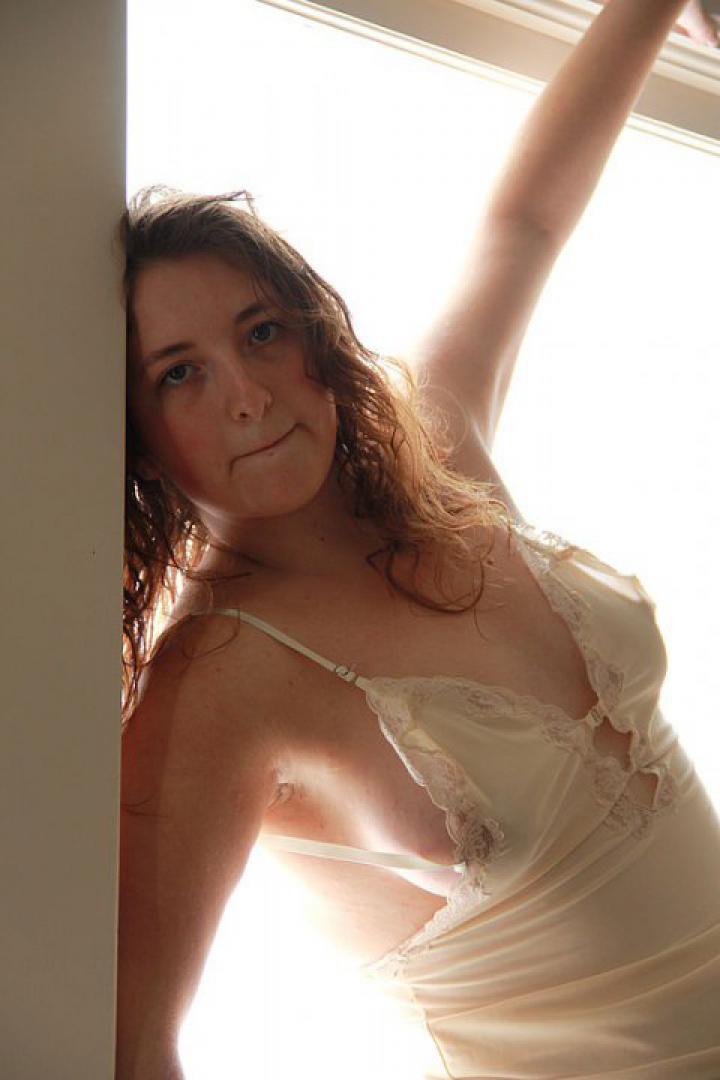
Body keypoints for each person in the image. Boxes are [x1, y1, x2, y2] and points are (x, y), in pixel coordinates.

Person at [115, 0, 720, 1076]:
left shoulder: (434, 450)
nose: (248, 393)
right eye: (181, 373)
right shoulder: (217, 682)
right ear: (138, 438)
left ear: (315, 338)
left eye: (262, 331)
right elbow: (132, 1036)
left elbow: (523, 226)